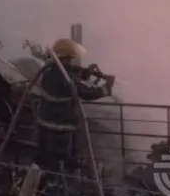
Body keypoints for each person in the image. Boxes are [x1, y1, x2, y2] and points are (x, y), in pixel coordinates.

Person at [34, 38, 115, 175]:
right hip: (59, 127)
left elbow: (71, 73)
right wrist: (107, 87)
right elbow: (86, 92)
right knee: (60, 160)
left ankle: (52, 179)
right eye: (72, 59)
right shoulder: (63, 79)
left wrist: (85, 73)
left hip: (48, 124)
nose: (74, 62)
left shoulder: (50, 71)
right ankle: (59, 183)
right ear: (65, 60)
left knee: (50, 159)